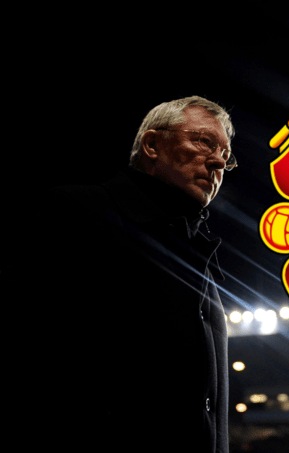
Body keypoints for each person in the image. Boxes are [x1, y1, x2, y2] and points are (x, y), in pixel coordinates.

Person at [5, 96, 236, 451]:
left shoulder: (198, 255)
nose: (218, 160)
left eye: (225, 154)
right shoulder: (77, 212)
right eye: (204, 141)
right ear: (152, 145)